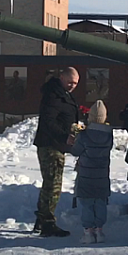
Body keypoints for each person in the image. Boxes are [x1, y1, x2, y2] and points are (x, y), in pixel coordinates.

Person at [32, 66, 80, 237]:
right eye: (70, 82)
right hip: (51, 145)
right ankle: (48, 223)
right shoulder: (53, 96)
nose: (72, 85)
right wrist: (64, 135)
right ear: (61, 77)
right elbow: (48, 122)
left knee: (50, 183)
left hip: (56, 144)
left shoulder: (62, 94)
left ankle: (42, 219)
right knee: (53, 185)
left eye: (75, 83)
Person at [71, 100, 113, 244]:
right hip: (102, 175)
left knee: (87, 202)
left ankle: (88, 231)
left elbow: (75, 151)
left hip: (86, 174)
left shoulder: (84, 135)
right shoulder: (109, 136)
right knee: (100, 201)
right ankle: (100, 230)